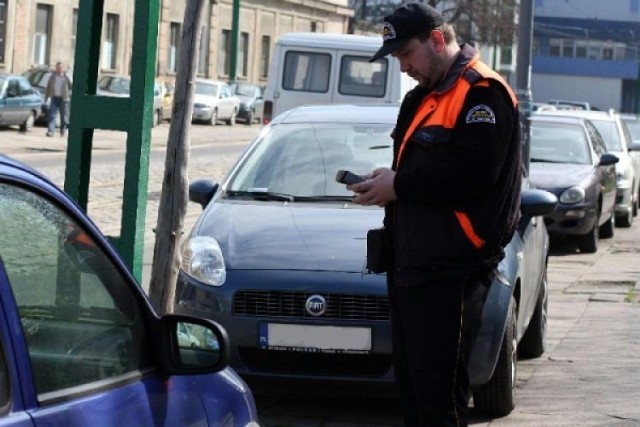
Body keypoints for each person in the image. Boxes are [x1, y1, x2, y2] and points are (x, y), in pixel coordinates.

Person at [347, 3, 522, 426]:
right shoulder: (423, 96)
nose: (404, 67)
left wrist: (400, 185)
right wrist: (387, 181)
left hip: (452, 272)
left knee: (441, 398)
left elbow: (475, 173)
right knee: (414, 393)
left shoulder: (483, 93)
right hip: (412, 266)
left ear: (438, 40)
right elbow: (420, 173)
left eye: (407, 55)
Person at [45, 62, 72, 137]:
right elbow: (48, 87)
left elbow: (71, 86)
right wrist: (47, 98)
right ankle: (51, 131)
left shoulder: (66, 77)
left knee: (64, 116)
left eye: (60, 68)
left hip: (63, 99)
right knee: (52, 115)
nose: (58, 69)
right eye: (57, 67)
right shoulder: (52, 77)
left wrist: (68, 96)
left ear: (63, 68)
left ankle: (63, 131)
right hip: (54, 97)